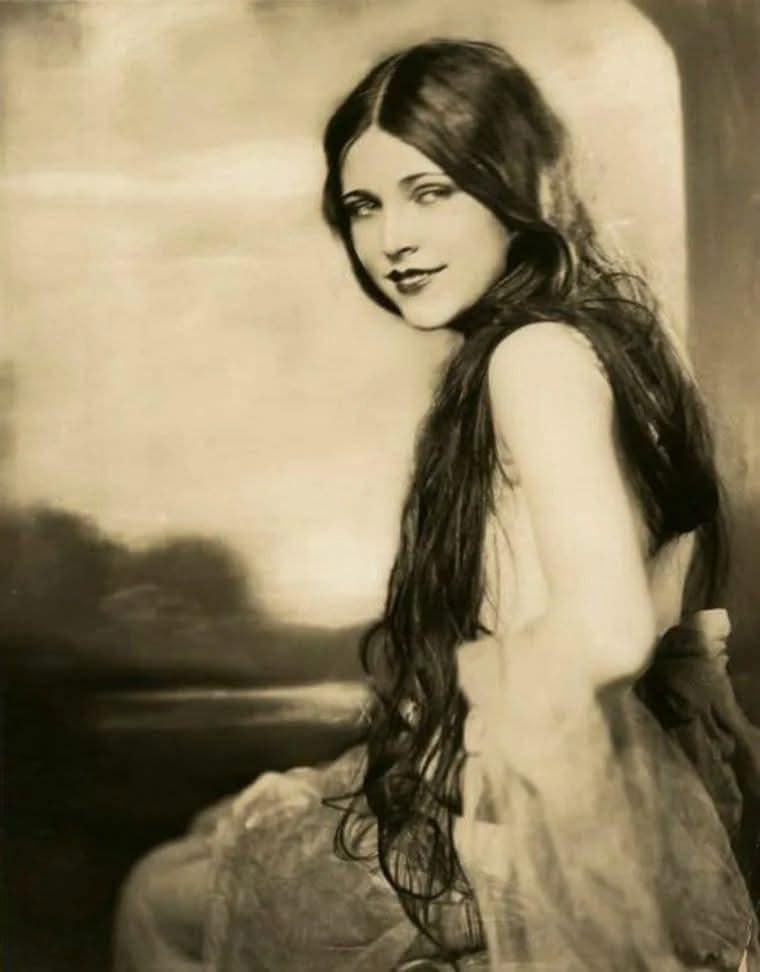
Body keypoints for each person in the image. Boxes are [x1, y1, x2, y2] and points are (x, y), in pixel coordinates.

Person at [114, 39, 760, 971]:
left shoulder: (531, 358)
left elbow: (612, 633)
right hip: (602, 797)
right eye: (364, 207)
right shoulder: (596, 338)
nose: (392, 242)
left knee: (160, 902)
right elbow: (657, 600)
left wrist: (468, 745)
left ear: (516, 189)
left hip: (540, 834)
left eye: (432, 193)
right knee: (222, 843)